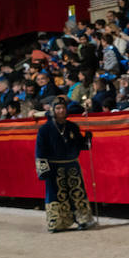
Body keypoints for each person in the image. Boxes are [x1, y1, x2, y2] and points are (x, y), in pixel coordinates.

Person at [35, 97, 95, 232]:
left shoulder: (73, 127)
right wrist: (43, 169)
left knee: (77, 194)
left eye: (63, 108)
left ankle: (83, 220)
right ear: (53, 110)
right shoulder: (45, 129)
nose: (61, 111)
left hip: (72, 166)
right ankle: (56, 222)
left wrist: (87, 139)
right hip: (54, 167)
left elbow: (82, 146)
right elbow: (40, 150)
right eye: (58, 108)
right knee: (54, 195)